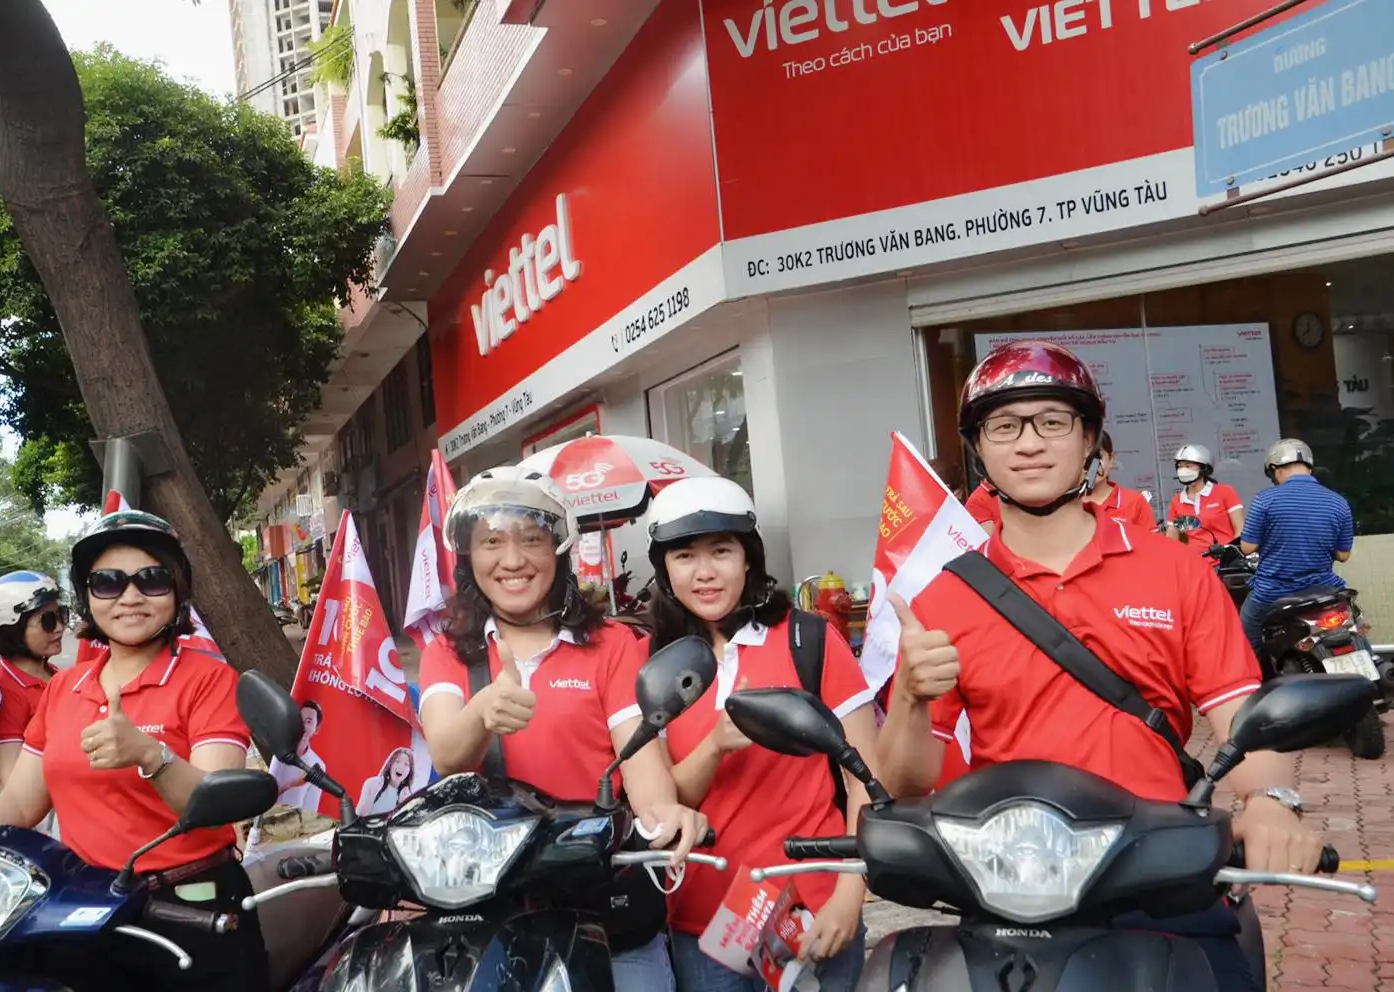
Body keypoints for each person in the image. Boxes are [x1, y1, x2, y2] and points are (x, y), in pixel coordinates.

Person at [876, 341, 1320, 992]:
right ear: (979, 449)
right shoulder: (943, 598)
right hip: (1011, 886)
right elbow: (904, 782)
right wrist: (911, 697)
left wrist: (1272, 801)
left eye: (1052, 421)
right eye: (1004, 426)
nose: (1030, 443)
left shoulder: (1176, 572)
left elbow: (1243, 717)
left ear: (1089, 440)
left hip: (1158, 877)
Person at [0, 510, 268, 992]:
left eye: (151, 579)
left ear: (177, 589)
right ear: (88, 596)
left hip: (194, 913)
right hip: (89, 912)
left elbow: (214, 803)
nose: (130, 596)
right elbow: (18, 805)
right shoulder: (66, 687)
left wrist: (152, 756)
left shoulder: (208, 679)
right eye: (108, 582)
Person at [416, 465, 709, 989]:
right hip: (491, 913)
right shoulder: (447, 651)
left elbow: (643, 770)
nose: (513, 560)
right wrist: (483, 711)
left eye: (532, 538)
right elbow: (446, 754)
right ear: (468, 557)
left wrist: (665, 815)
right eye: (491, 542)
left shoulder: (612, 645)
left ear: (559, 549)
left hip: (604, 905)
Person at [646, 476, 877, 992]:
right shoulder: (655, 663)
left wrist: (851, 891)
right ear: (664, 569)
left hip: (813, 908)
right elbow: (664, 803)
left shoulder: (809, 639)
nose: (704, 572)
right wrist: (715, 745)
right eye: (684, 556)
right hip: (703, 923)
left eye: (721, 551)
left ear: (748, 558)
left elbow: (867, 776)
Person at [1238, 439, 1354, 652]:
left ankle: (1257, 671)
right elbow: (1343, 555)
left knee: (1245, 635)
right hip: (1324, 589)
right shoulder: (1338, 502)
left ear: (1275, 469)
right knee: (1353, 629)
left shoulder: (1265, 500)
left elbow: (1247, 547)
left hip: (1273, 591)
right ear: (1309, 468)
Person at [0, 571, 66, 788]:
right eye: (47, 621)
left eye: (62, 615)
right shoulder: (3, 693)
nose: (60, 627)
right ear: (12, 629)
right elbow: (11, 784)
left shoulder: (53, 673)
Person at [1166, 443, 1244, 551]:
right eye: (1180, 466)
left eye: (1188, 466)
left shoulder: (1225, 492)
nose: (1183, 470)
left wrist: (1233, 553)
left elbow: (1240, 529)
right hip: (1194, 559)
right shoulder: (1177, 500)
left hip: (1223, 557)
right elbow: (1171, 540)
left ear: (1203, 468)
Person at [1083, 431, 1156, 527]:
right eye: (1085, 457)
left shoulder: (1135, 503)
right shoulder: (1067, 504)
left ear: (1111, 459)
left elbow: (1149, 537)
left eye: (1098, 456)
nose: (1092, 465)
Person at [271, 700, 325, 811]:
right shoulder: (279, 752)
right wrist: (293, 783)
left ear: (316, 729)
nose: (303, 725)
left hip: (293, 820)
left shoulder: (318, 765)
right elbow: (267, 795)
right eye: (300, 720)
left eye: (308, 721)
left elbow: (310, 808)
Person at [357, 745, 415, 816]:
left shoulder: (407, 796)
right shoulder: (372, 783)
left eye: (406, 764)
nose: (401, 766)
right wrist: (371, 794)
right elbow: (359, 814)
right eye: (397, 761)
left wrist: (403, 804)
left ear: (410, 771)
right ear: (390, 764)